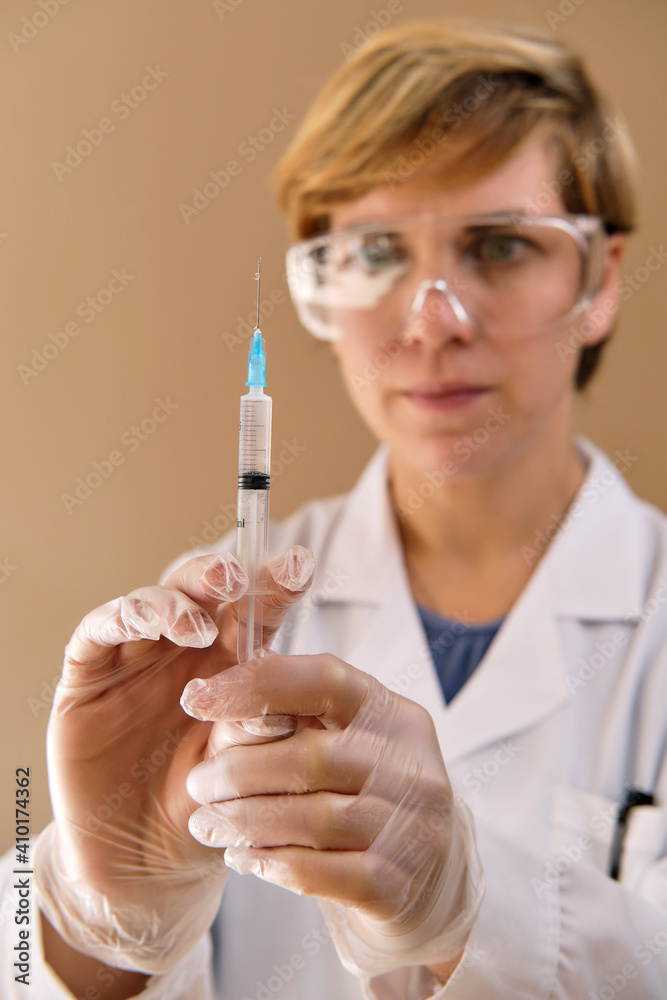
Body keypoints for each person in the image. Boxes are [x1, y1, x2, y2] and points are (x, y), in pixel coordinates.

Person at [2, 18, 666, 1000]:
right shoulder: (215, 619)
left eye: (498, 245)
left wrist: (475, 917)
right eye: (375, 251)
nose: (433, 320)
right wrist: (83, 923)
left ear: (598, 280)